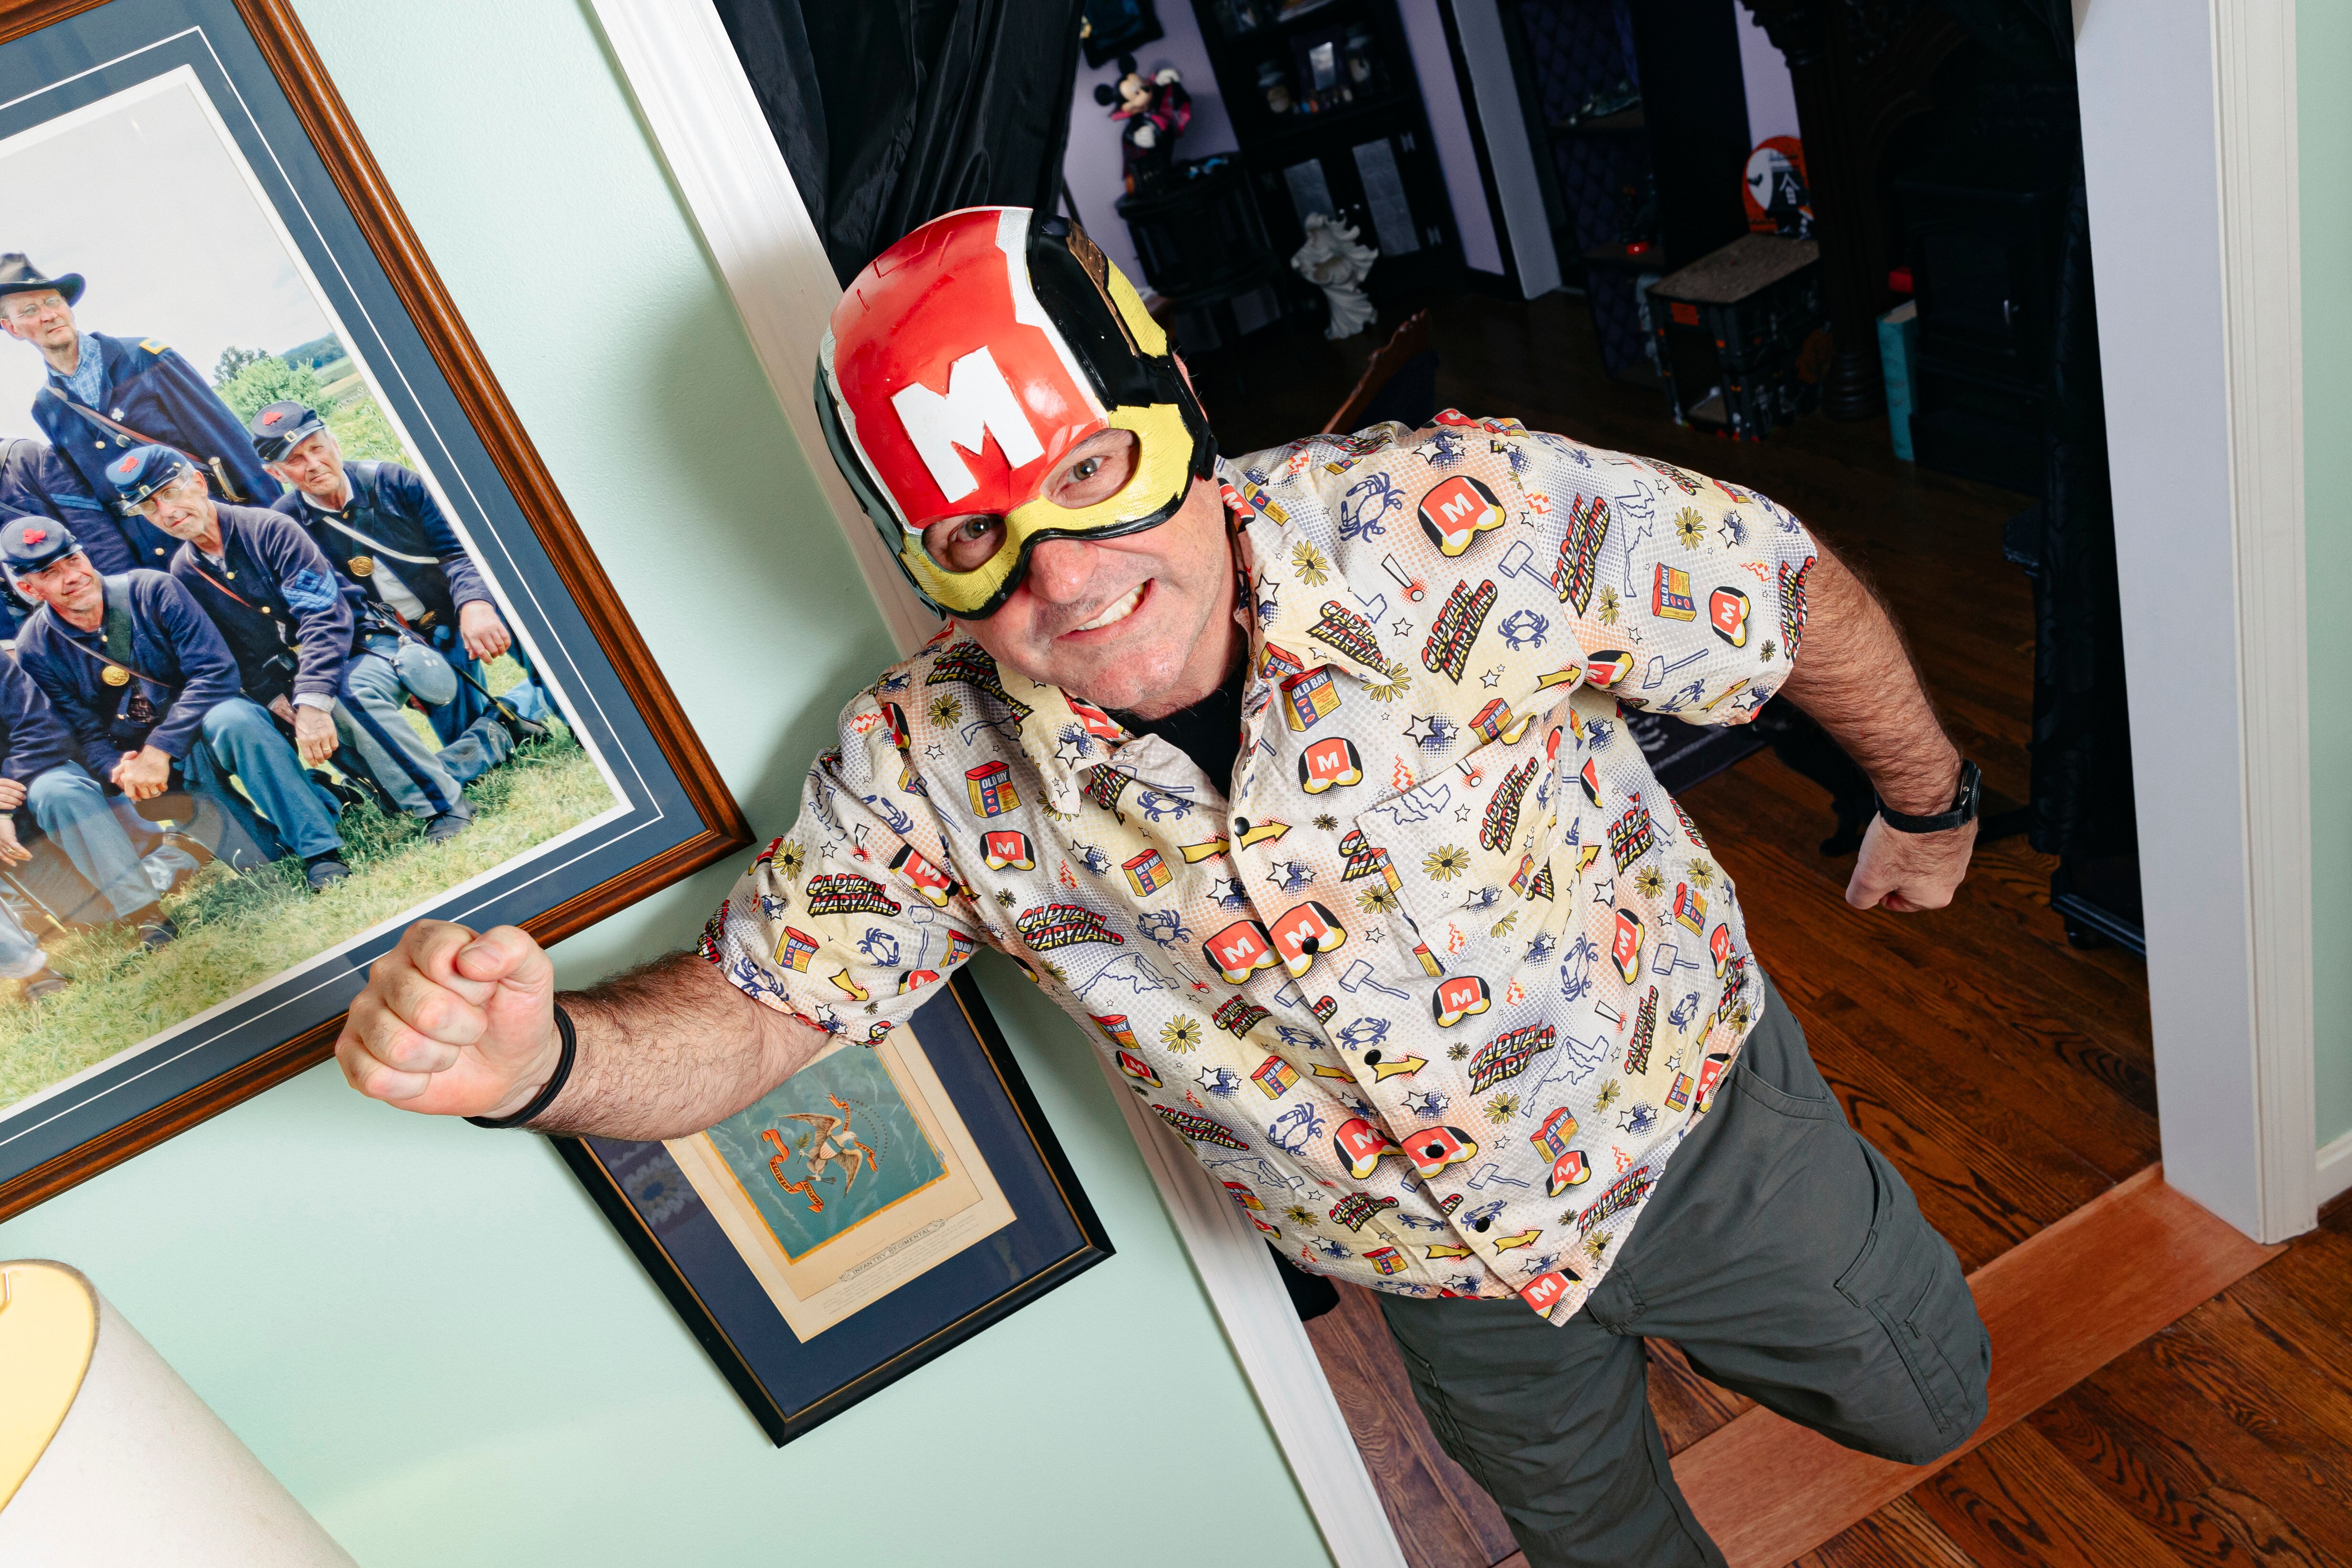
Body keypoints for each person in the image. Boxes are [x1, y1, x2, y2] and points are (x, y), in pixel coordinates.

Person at [334, 210, 1990, 1568]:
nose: (1062, 573)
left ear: (1177, 415)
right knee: (1603, 1549)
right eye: (978, 531)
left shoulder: (1451, 526)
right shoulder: (924, 763)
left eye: (1081, 476)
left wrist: (1929, 797)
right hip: (1430, 1272)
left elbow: (1774, 584)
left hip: (1687, 1133)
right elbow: (764, 1006)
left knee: (1928, 1401)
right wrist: (542, 1067)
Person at [106, 445, 497, 844]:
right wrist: (275, 698)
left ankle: (444, 805)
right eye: (148, 508)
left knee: (349, 697)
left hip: (361, 648)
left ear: (200, 483)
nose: (167, 513)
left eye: (170, 493)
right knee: (387, 784)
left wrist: (311, 700)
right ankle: (493, 735)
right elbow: (230, 652)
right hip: (292, 680)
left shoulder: (269, 529)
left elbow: (324, 618)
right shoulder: (183, 571)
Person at [4, 518, 352, 891]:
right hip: (159, 769)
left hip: (207, 723)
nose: (71, 576)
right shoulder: (36, 648)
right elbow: (84, 733)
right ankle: (320, 797)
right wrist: (117, 771)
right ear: (29, 588)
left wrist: (159, 749)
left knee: (236, 720)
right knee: (262, 865)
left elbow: (216, 673)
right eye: (50, 573)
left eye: (73, 560)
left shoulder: (152, 590)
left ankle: (321, 852)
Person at [249, 400, 552, 741]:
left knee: (519, 617)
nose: (314, 464)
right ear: (276, 473)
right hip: (410, 642)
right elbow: (331, 612)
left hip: (458, 604)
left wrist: (475, 605)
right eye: (295, 460)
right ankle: (509, 714)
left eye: (317, 448)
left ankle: (575, 709)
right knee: (465, 735)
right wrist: (395, 657)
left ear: (334, 443)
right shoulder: (285, 528)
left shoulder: (394, 482)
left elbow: (459, 552)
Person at [0, 254, 276, 535]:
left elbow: (228, 443)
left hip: (218, 523)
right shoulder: (47, 408)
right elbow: (97, 500)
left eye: (52, 302)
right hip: (158, 554)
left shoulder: (146, 359)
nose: (48, 315)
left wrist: (274, 521)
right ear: (12, 328)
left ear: (67, 307)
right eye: (30, 311)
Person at [0, 648, 177, 952]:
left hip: (34, 774)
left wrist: (3, 807)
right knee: (97, 919)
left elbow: (41, 728)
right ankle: (174, 858)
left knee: (61, 793)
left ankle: (145, 913)